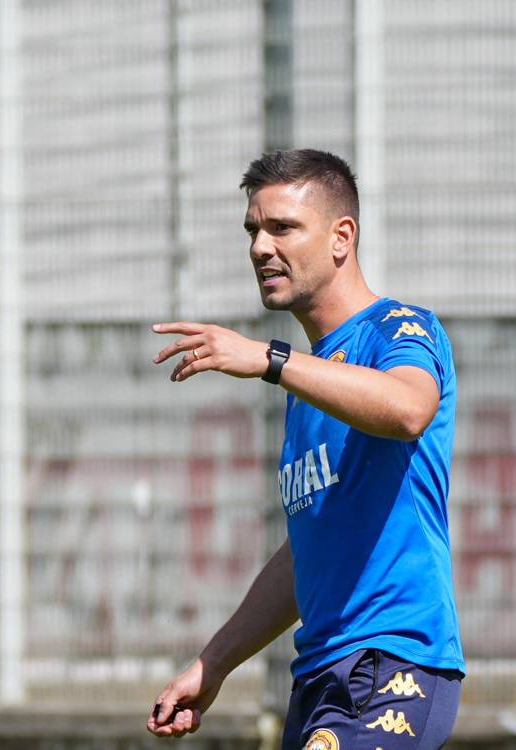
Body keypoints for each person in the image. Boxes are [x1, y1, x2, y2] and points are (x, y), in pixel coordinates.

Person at [145, 149, 463, 748]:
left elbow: (408, 408)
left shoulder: (399, 329)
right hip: (320, 677)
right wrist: (213, 665)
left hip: (392, 662)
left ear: (342, 237)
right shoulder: (309, 383)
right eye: (253, 230)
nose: (261, 247)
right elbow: (305, 556)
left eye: (283, 228)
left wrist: (271, 359)